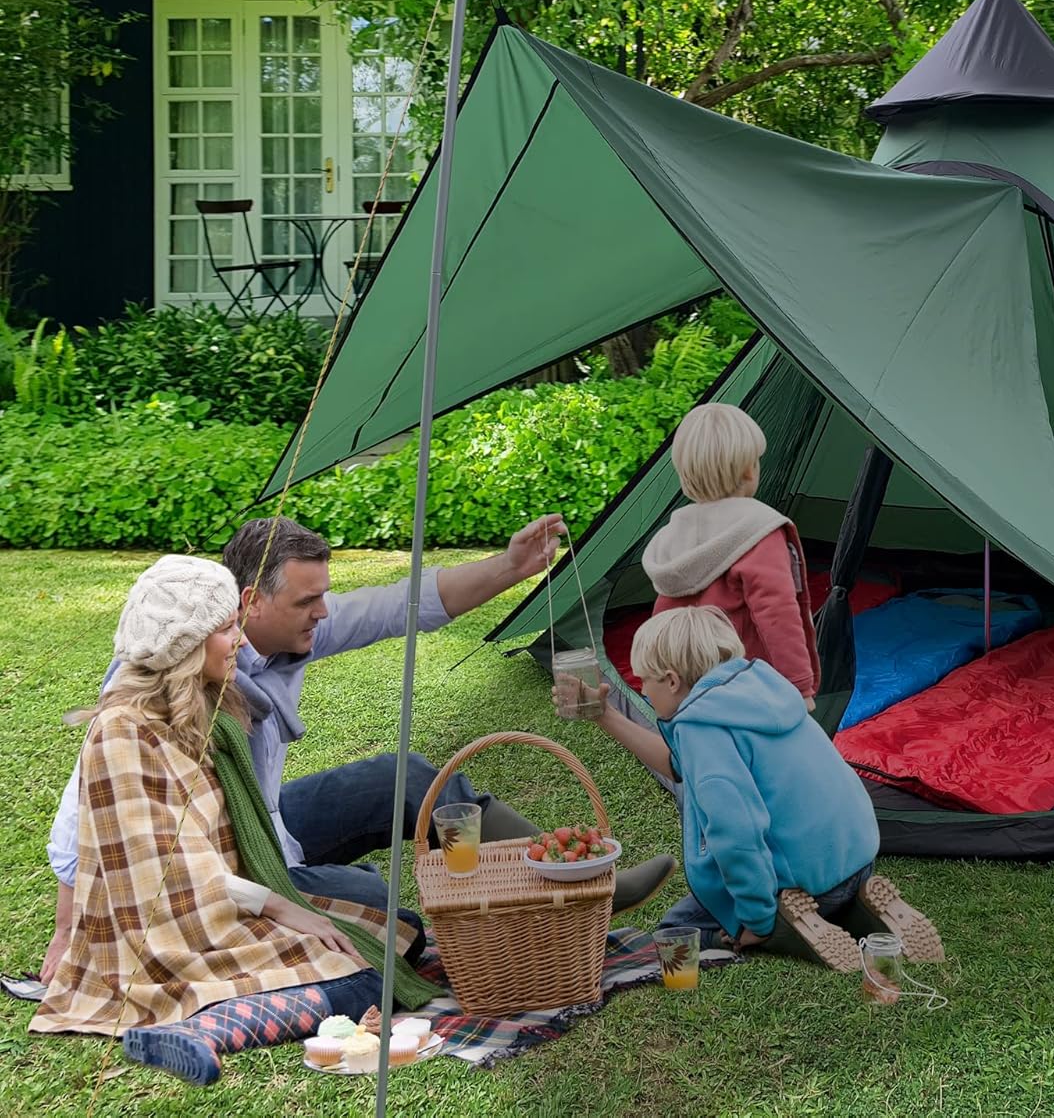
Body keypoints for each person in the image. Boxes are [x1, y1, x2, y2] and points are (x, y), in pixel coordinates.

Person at [42, 515, 676, 982]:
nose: (324, 612)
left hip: (268, 824)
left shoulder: (292, 629)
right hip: (230, 865)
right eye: (307, 600)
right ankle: (456, 919)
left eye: (323, 595)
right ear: (250, 602)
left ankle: (575, 881)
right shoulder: (172, 666)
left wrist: (512, 567)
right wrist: (70, 925)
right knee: (388, 918)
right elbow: (87, 802)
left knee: (404, 778)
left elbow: (400, 605)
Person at [32, 555, 442, 1087]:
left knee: (396, 935)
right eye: (228, 629)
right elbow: (172, 877)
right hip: (168, 933)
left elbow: (216, 852)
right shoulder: (123, 732)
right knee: (364, 972)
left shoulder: (200, 710)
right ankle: (203, 1032)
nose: (242, 642)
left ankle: (212, 1019)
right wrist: (287, 909)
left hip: (223, 899)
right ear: (185, 643)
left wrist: (291, 908)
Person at [563, 606, 944, 971]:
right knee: (826, 889)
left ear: (672, 681)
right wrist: (605, 715)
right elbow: (676, 765)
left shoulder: (701, 729)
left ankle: (791, 926)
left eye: (645, 680)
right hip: (856, 860)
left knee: (676, 930)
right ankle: (856, 908)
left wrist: (756, 919)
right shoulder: (757, 690)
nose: (644, 691)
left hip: (801, 886)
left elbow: (736, 834)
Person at [642, 403, 820, 707]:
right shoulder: (759, 530)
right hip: (746, 686)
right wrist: (798, 687)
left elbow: (663, 620)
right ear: (750, 470)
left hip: (687, 691)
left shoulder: (673, 536)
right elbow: (778, 614)